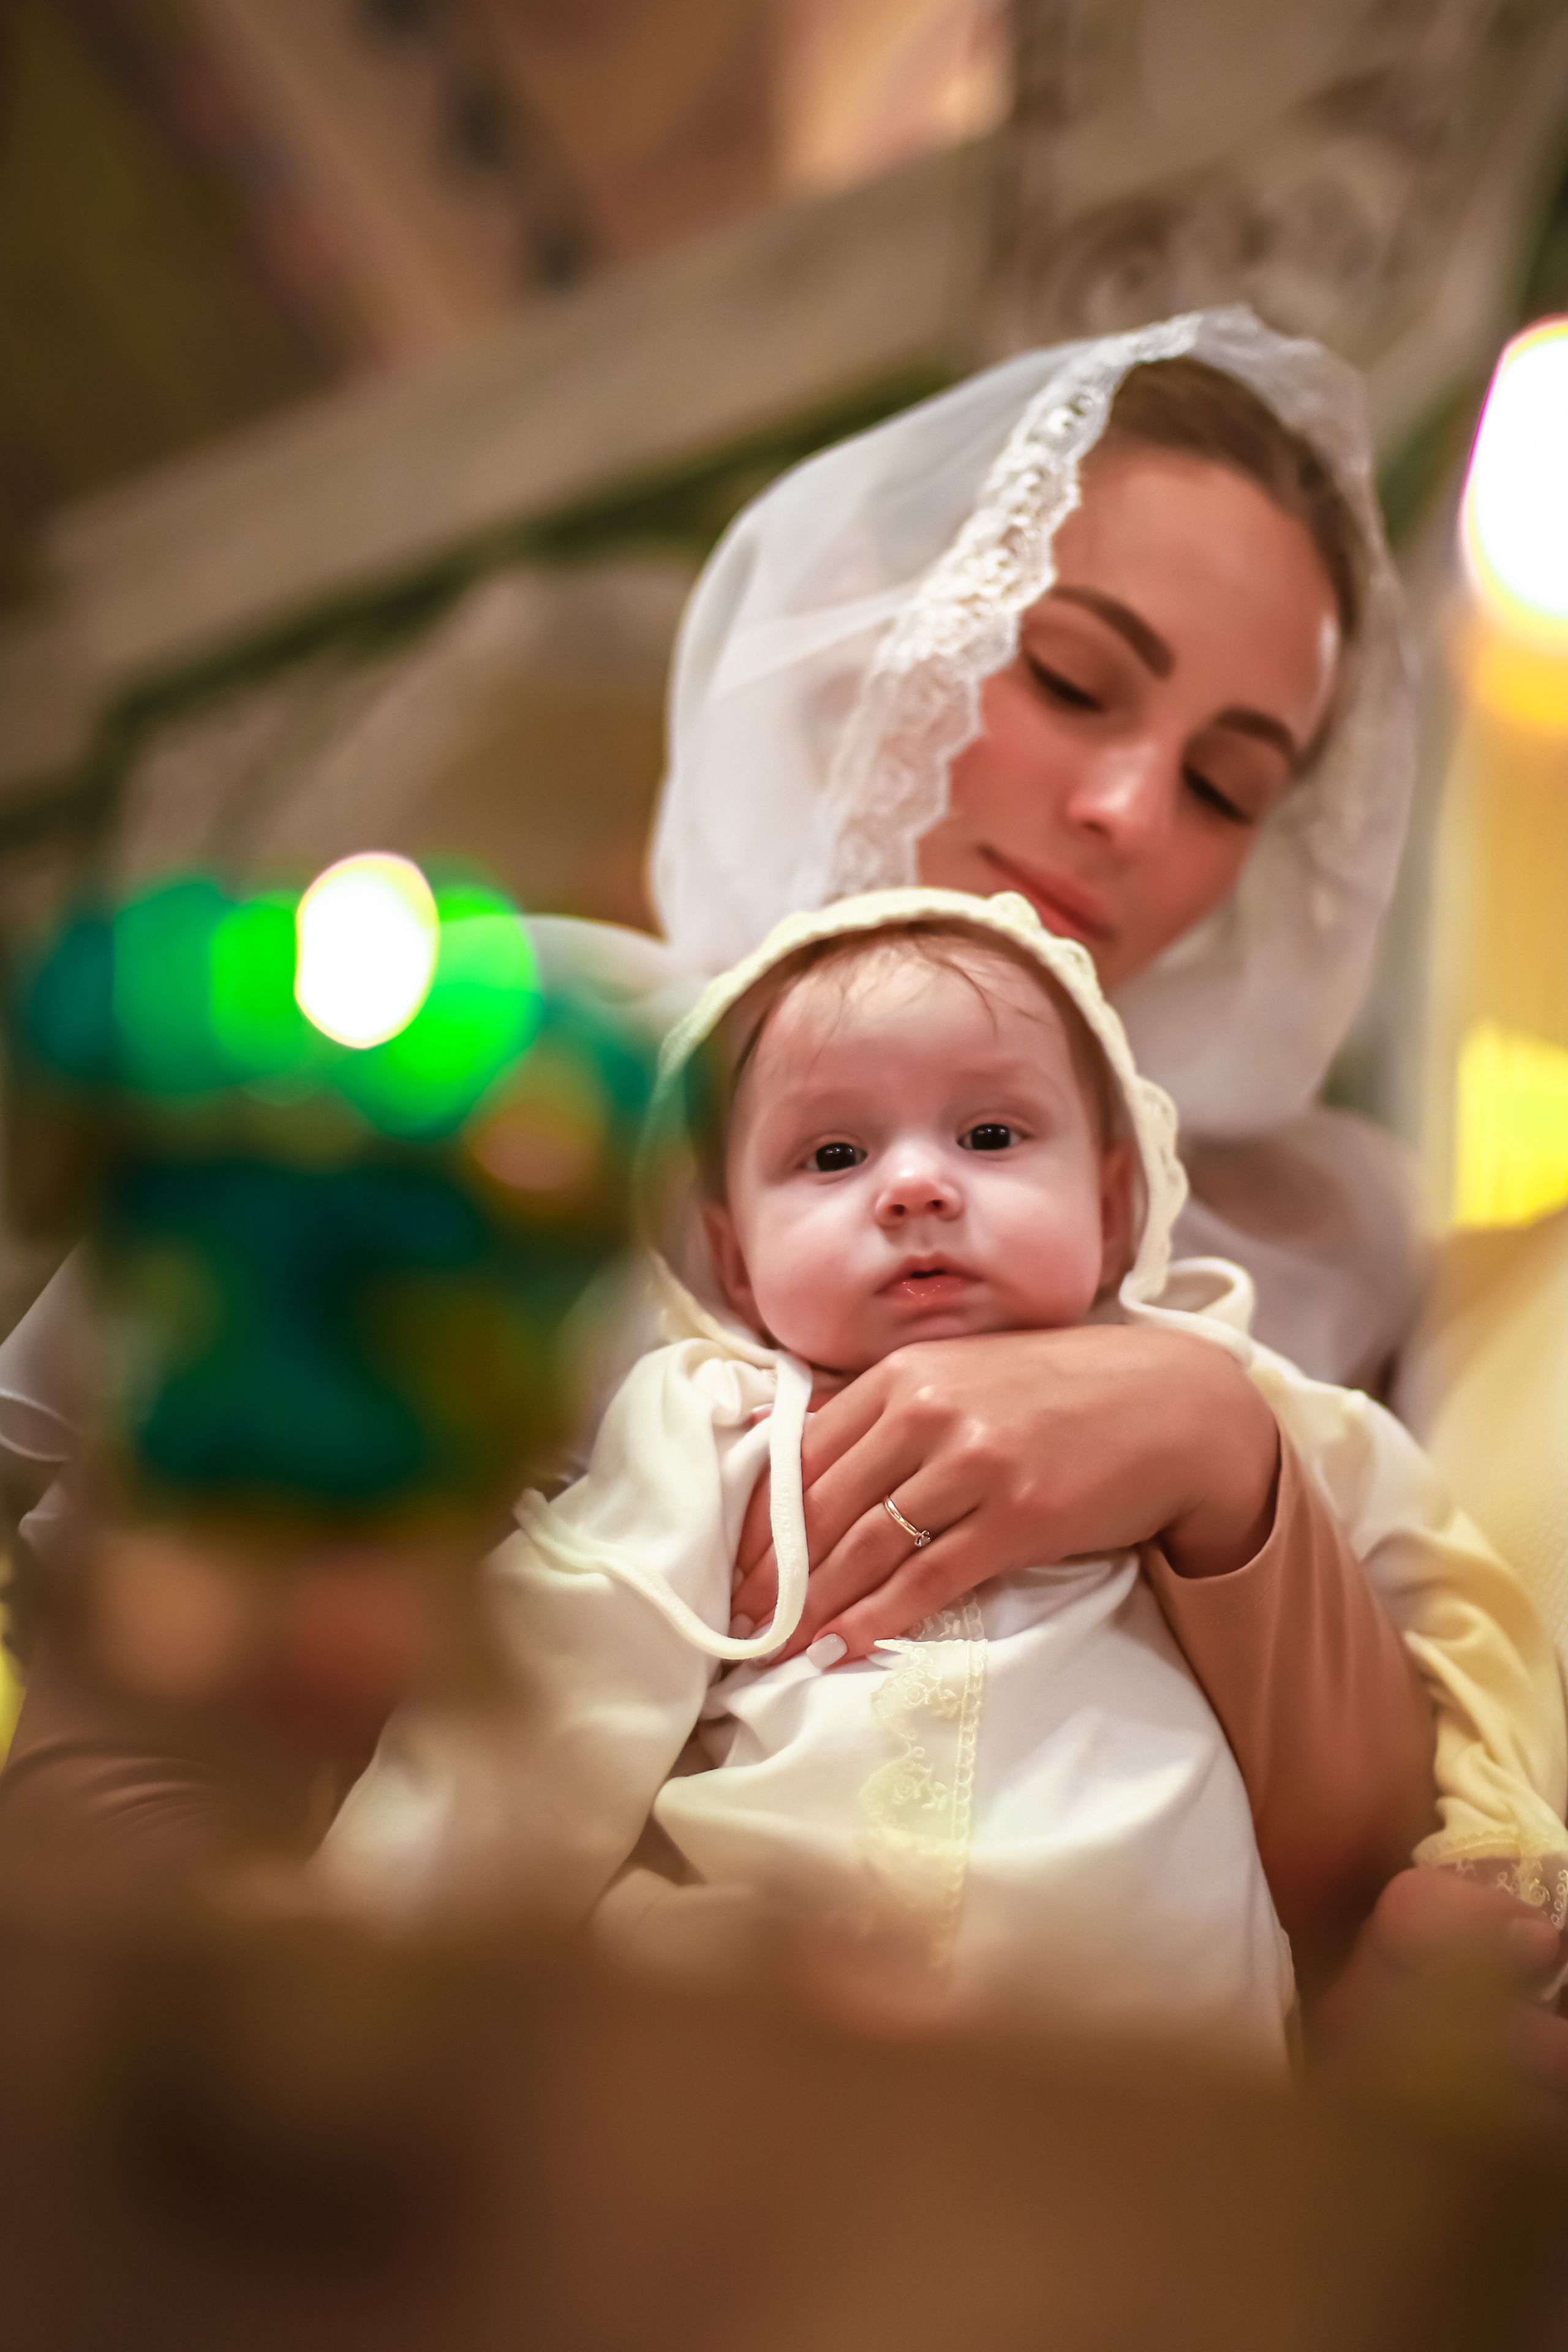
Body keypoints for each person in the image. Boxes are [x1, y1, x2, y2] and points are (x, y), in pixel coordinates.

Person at [1, 310, 1558, 2018]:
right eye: (1072, 680)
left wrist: (1207, 1445)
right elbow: (114, 1672)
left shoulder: (1300, 1254)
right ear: (884, 626)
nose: (1130, 809)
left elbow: (1373, 1914)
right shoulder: (502, 1051)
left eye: (1226, 783)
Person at [321, 891, 1565, 2052]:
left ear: (1114, 1195)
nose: (914, 1187)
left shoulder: (1240, 1398)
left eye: (987, 1133)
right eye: (829, 1157)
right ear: (731, 1255)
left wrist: (1486, 1855)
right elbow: (555, 1687)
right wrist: (369, 1964)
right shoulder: (711, 1427)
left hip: (1158, 2094)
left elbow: (1450, 1612)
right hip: (742, 2059)